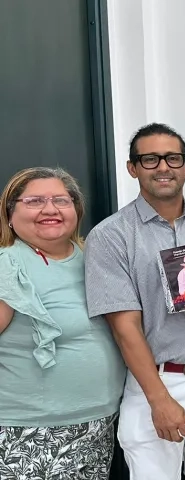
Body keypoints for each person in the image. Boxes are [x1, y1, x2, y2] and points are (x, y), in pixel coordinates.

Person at [84, 123, 185, 480]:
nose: (163, 167)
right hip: (158, 381)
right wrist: (158, 400)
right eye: (150, 159)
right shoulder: (110, 237)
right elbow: (125, 330)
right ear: (132, 168)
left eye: (172, 158)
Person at [0, 167, 125, 479]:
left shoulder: (95, 257)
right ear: (10, 212)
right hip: (29, 430)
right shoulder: (7, 266)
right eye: (34, 201)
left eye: (61, 200)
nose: (50, 209)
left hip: (97, 424)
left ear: (76, 209)